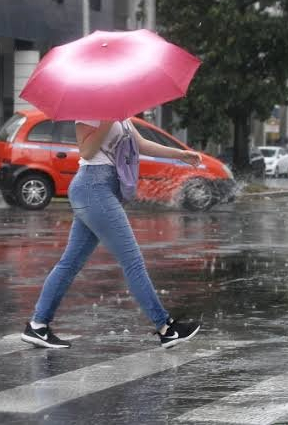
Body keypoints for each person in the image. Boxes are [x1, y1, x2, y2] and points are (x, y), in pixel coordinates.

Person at [21, 118, 202, 349]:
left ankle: (38, 326)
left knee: (70, 262)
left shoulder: (120, 113)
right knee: (132, 261)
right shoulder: (87, 111)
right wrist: (106, 121)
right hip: (92, 187)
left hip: (101, 189)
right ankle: (166, 328)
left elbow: (140, 144)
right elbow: (86, 151)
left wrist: (180, 154)